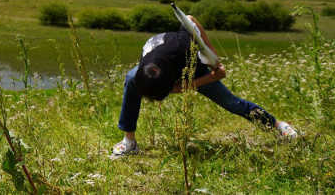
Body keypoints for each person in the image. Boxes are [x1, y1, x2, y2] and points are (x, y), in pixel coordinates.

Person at [112, 15, 298, 158]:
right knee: (130, 78)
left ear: (173, 79)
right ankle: (130, 142)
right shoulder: (146, 68)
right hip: (161, 69)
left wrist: (212, 61)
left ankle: (278, 125)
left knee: (232, 103)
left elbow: (190, 19)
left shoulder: (183, 45)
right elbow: (175, 89)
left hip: (194, 67)